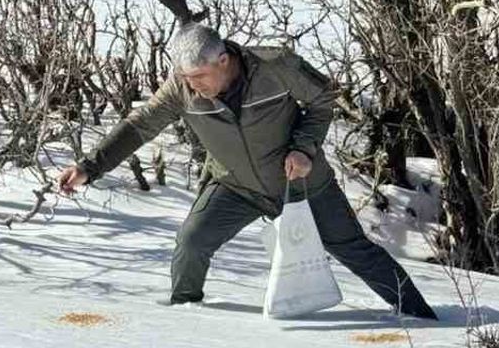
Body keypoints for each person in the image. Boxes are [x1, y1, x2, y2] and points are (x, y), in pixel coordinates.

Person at [55, 22, 438, 320]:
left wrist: (303, 148)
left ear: (224, 60)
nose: (193, 87)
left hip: (302, 184)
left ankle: (422, 320)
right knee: (192, 241)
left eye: (200, 77)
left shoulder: (275, 65)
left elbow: (323, 98)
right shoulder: (182, 87)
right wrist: (90, 167)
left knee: (355, 251)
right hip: (235, 185)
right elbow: (140, 126)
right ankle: (184, 317)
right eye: (186, 79)